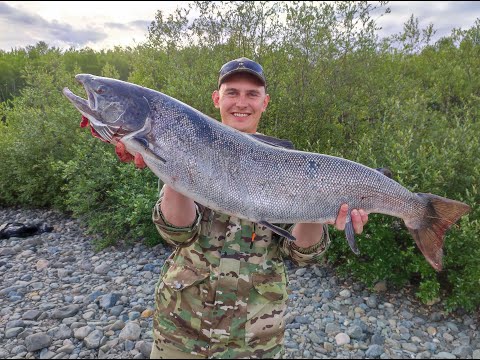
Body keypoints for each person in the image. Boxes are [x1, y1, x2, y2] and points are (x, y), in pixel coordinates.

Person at [115, 57, 368, 359]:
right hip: (181, 329)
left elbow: (302, 252)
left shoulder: (291, 165)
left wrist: (321, 210)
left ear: (265, 102)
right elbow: (177, 233)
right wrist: (171, 161)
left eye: (252, 94)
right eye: (232, 92)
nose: (241, 103)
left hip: (254, 338)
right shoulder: (185, 143)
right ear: (216, 98)